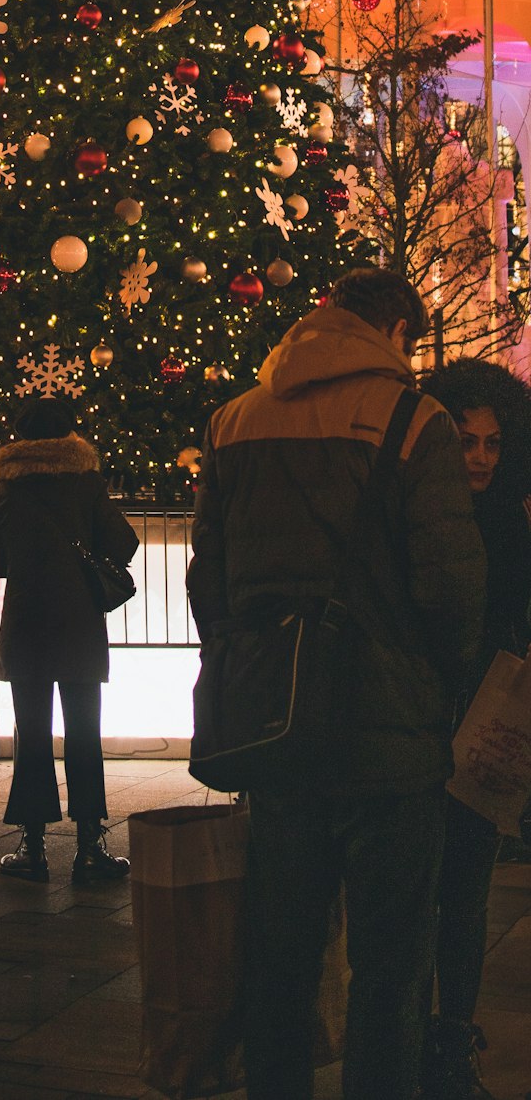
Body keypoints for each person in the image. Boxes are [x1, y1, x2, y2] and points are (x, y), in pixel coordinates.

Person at [188, 265, 487, 1100]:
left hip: (277, 730)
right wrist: (436, 681)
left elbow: (207, 578)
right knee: (389, 965)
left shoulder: (235, 421)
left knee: (281, 958)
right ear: (396, 333)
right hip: (388, 737)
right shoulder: (412, 419)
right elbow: (451, 585)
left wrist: (247, 662)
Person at [419, 359, 531, 1100]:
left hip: (486, 726)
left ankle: (450, 1034)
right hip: (423, 723)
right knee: (416, 890)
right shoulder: (423, 513)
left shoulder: (514, 520)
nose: (480, 456)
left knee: (462, 892)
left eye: (492, 442)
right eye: (466, 441)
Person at [0, 393, 139, 885]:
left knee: (31, 733)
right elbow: (124, 542)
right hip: (78, 622)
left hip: (26, 622)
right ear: (69, 433)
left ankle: (33, 846)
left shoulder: (4, 488)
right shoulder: (86, 483)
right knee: (84, 732)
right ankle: (90, 846)